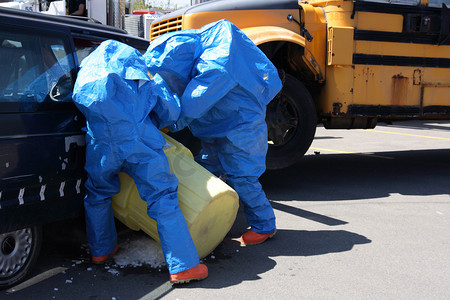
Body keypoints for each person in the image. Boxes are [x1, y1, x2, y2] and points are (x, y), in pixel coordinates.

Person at [72, 40, 207, 284]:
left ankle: (101, 251)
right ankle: (184, 266)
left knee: (98, 194)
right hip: (139, 143)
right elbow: (170, 112)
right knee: (162, 198)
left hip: (100, 145)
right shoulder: (141, 76)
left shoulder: (87, 75)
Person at [144, 19, 282, 246]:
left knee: (243, 177)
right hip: (218, 124)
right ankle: (207, 215)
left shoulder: (216, 63)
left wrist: (165, 120)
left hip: (241, 126)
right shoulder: (201, 50)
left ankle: (264, 225)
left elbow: (195, 101)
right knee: (206, 169)